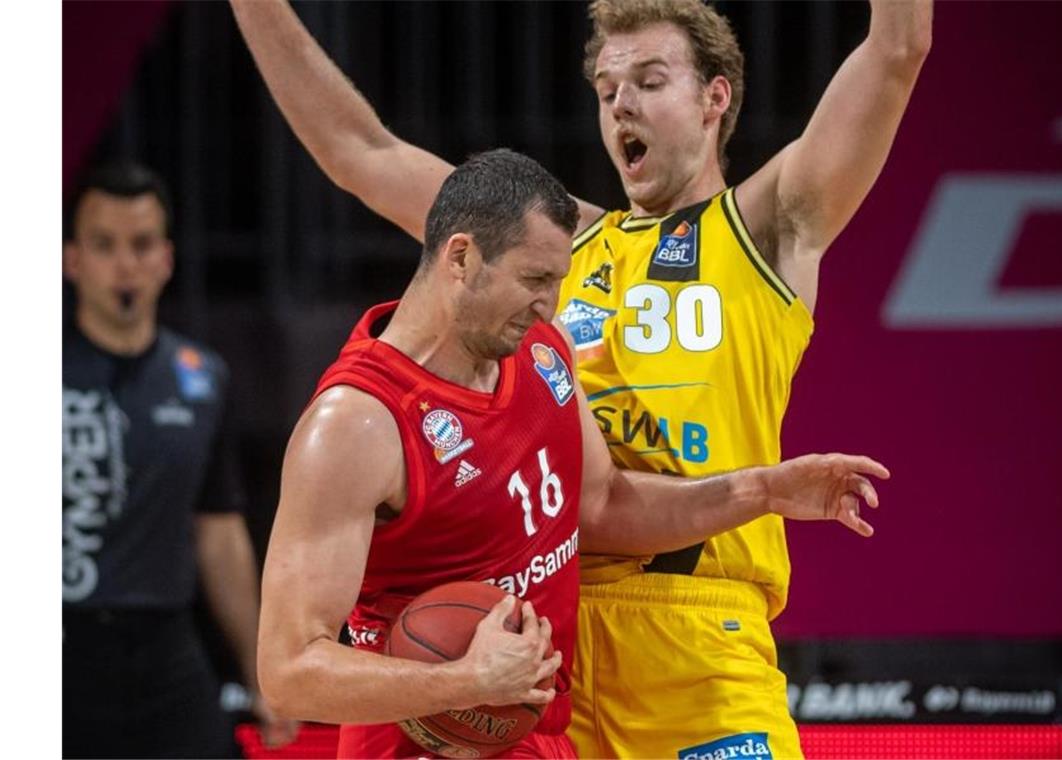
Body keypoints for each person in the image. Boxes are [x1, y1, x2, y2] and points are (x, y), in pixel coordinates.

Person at [231, 1, 930, 756]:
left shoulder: (767, 225)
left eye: (650, 80)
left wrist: (764, 489)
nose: (621, 102)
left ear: (715, 97)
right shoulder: (552, 247)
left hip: (694, 636)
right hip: (537, 644)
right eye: (606, 88)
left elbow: (899, 47)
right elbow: (356, 150)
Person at [62, 161, 297, 758]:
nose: (125, 264)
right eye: (104, 245)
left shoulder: (202, 379)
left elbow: (218, 532)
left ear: (165, 259)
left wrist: (258, 668)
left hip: (166, 642)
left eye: (141, 245)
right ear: (72, 260)